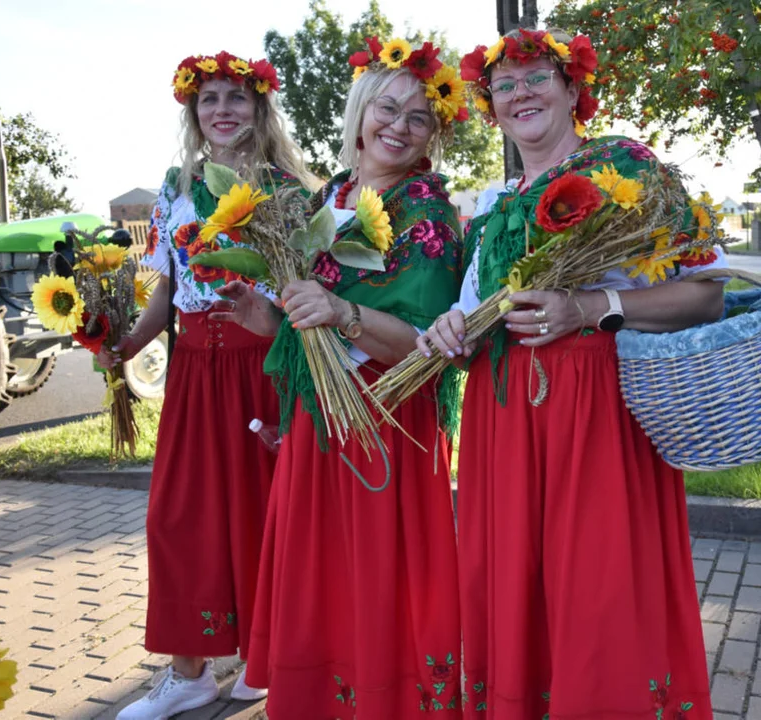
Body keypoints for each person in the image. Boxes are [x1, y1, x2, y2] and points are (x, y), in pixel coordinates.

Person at [419, 29, 728, 719]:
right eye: (504, 85)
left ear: (571, 90)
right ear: (489, 107)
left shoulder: (629, 168)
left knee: (600, 586)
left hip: (596, 413)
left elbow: (707, 294)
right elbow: (473, 321)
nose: (520, 93)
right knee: (512, 587)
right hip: (502, 424)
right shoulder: (494, 208)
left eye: (536, 78)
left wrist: (588, 307)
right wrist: (450, 332)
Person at [210, 36, 469, 718]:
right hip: (318, 423)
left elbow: (427, 343)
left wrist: (342, 310)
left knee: (380, 584)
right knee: (320, 582)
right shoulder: (327, 198)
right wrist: (261, 314)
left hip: (384, 426)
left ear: (431, 137)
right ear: (359, 113)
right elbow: (301, 325)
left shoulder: (428, 214)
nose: (400, 127)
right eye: (388, 108)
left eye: (420, 118)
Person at [103, 51, 319, 720]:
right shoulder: (174, 188)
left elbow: (304, 290)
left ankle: (261, 659)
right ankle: (189, 672)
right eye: (208, 100)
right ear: (193, 114)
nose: (221, 109)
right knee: (180, 520)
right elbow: (165, 288)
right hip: (196, 373)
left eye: (235, 97)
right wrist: (127, 343)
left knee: (264, 516)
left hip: (264, 367)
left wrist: (274, 318)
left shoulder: (287, 190)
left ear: (259, 108)